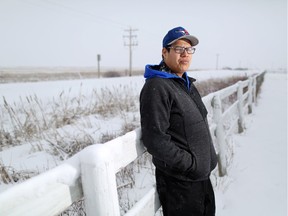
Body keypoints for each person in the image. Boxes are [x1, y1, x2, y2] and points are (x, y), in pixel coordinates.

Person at [140, 26, 218, 216]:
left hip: (202, 180)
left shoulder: (186, 84)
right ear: (164, 52)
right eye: (178, 49)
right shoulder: (156, 87)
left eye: (189, 49)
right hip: (180, 185)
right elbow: (155, 139)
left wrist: (207, 161)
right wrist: (190, 165)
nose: (185, 54)